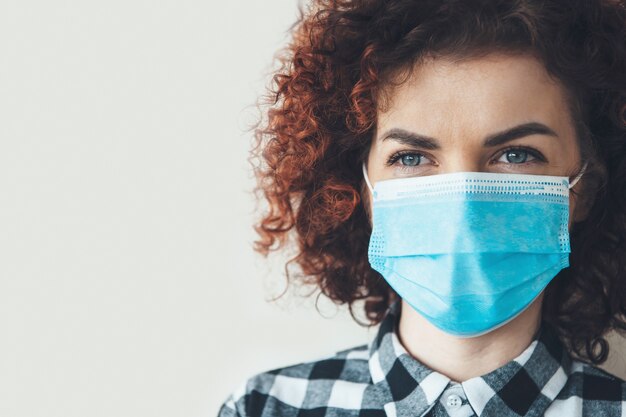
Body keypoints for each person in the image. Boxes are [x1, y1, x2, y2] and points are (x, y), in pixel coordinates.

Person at [218, 0, 626, 415]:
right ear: (359, 188)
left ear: (586, 187)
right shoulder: (263, 407)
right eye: (411, 157)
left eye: (517, 155)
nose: (463, 205)